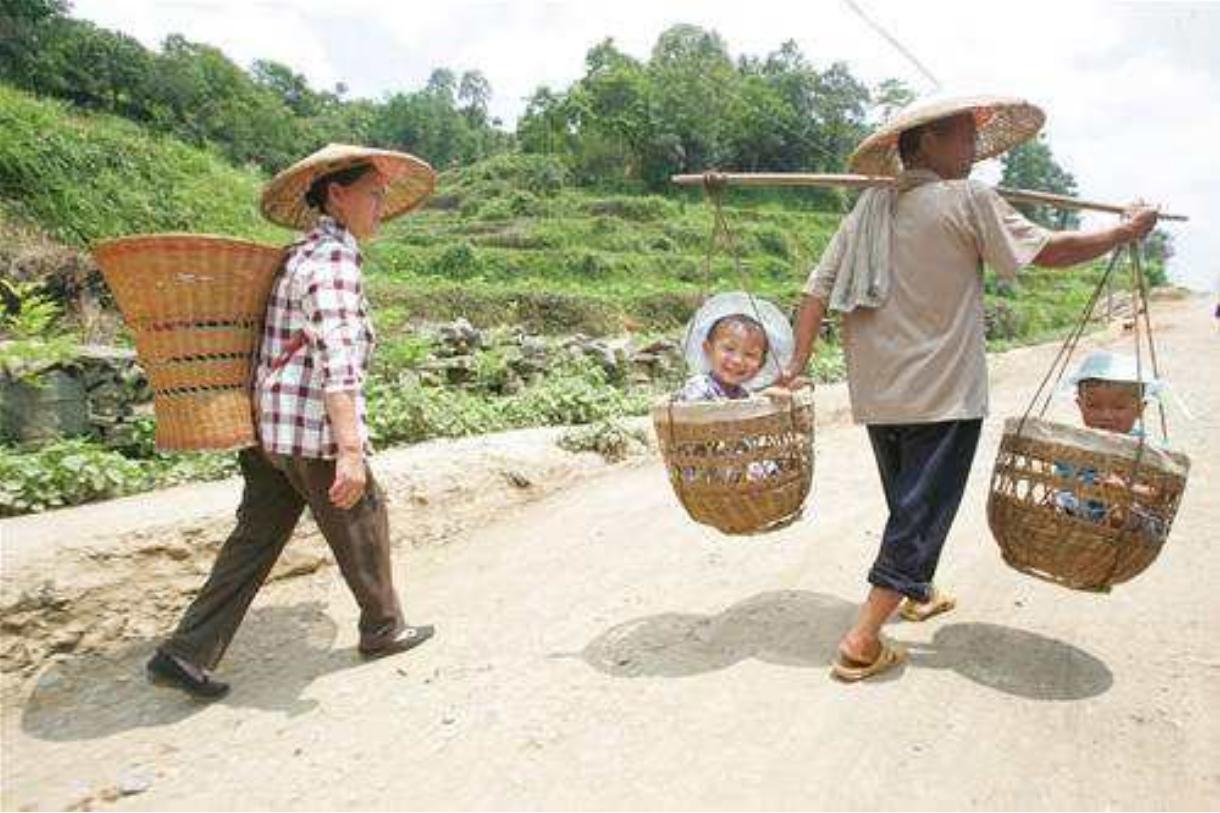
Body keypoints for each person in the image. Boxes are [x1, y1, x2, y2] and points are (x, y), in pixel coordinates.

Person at [779, 95, 1160, 682]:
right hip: (942, 394)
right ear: (927, 141)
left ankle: (919, 591)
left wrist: (796, 364)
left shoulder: (868, 208)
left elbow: (815, 290)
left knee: (909, 502)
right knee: (921, 512)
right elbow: (1048, 251)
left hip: (879, 392)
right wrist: (1123, 232)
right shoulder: (967, 199)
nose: (975, 153)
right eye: (964, 138)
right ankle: (862, 639)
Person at [147, 144, 439, 699]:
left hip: (269, 431)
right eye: (373, 195)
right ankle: (383, 628)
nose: (380, 206)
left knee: (256, 538)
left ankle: (186, 651)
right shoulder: (332, 261)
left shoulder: (298, 254)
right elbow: (337, 357)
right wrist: (350, 450)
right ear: (337, 195)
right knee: (364, 515)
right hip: (308, 429)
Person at [1052, 351, 1165, 536]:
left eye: (1119, 407)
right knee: (1059, 504)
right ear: (1080, 405)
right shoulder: (1076, 445)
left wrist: (1126, 488)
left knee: (1125, 511)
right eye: (1093, 406)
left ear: (1140, 408)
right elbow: (1060, 481)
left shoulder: (1149, 449)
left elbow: (1161, 493)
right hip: (1080, 518)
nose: (1106, 415)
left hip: (1131, 526)